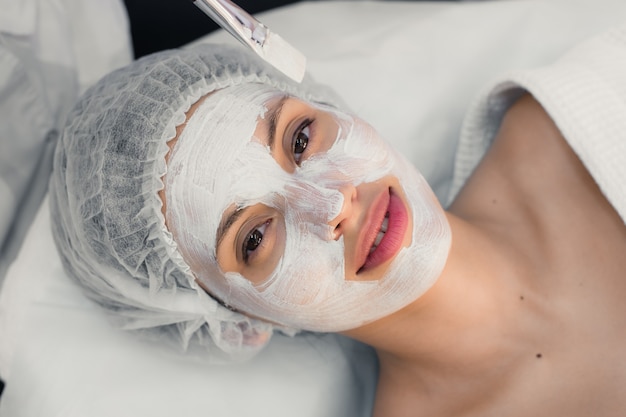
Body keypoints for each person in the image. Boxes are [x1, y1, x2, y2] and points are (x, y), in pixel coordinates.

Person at [49, 23, 626, 416]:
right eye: (255, 236)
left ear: (332, 106)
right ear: (236, 319)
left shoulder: (594, 99)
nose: (330, 203)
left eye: (300, 138)